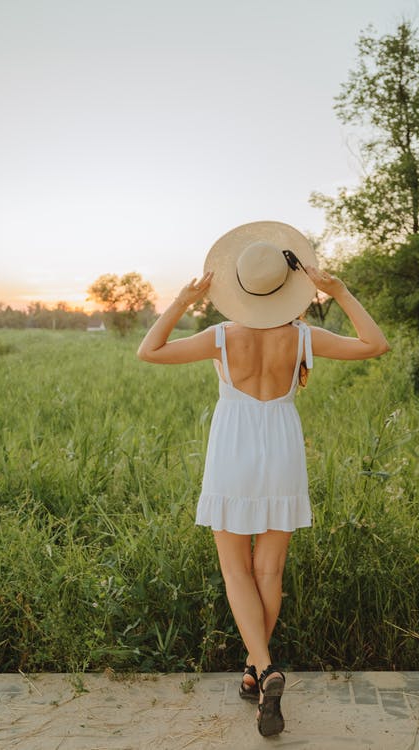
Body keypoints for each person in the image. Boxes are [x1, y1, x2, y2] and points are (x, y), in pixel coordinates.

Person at [137, 221, 389, 737]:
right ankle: (255, 671)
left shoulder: (220, 337)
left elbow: (150, 351)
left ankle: (264, 666)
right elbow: (375, 344)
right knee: (268, 572)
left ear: (239, 287)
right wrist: (338, 291)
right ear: (287, 287)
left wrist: (184, 301)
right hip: (281, 450)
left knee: (236, 572)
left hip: (231, 449)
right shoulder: (303, 337)